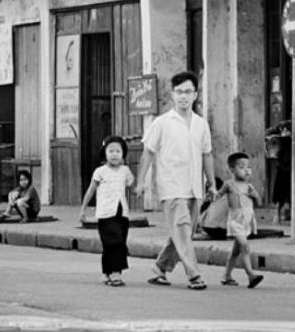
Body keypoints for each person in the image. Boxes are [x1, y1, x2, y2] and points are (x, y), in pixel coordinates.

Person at [136, 70, 217, 290]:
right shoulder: (162, 123)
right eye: (179, 92)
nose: (183, 96)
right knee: (181, 228)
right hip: (171, 185)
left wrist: (212, 183)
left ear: (195, 95)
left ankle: (160, 268)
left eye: (188, 92)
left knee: (184, 232)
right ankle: (194, 274)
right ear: (172, 95)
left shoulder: (201, 124)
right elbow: (148, 153)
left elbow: (207, 155)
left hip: (194, 186)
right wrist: (140, 181)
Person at [79, 135, 135, 287]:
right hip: (105, 214)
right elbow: (90, 191)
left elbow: (133, 189)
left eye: (118, 151)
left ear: (123, 154)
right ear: (105, 153)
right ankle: (116, 273)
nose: (115, 154)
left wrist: (142, 188)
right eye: (111, 151)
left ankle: (107, 272)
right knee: (112, 242)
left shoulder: (125, 171)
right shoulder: (100, 172)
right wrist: (83, 209)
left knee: (119, 243)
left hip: (122, 213)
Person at [218, 152, 264, 288]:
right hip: (235, 221)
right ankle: (251, 275)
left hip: (247, 220)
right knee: (245, 246)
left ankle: (226, 275)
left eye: (249, 167)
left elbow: (259, 203)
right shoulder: (229, 184)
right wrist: (212, 194)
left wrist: (255, 195)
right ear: (232, 169)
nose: (246, 170)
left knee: (235, 252)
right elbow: (218, 195)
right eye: (242, 167)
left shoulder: (249, 186)